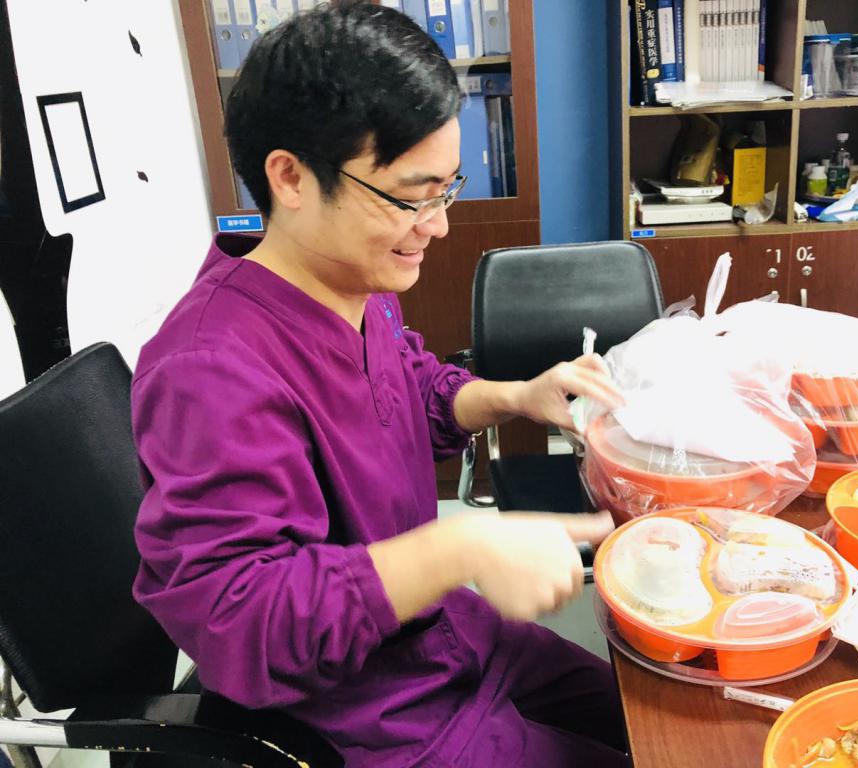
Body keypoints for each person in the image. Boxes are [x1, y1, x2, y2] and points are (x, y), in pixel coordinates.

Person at [131, 2, 631, 766]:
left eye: (446, 189)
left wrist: (514, 395)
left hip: (448, 635)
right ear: (291, 177)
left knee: (647, 714)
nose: (437, 224)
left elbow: (410, 390)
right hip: (364, 710)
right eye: (410, 197)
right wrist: (458, 546)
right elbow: (245, 619)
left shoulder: (353, 280)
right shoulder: (209, 371)